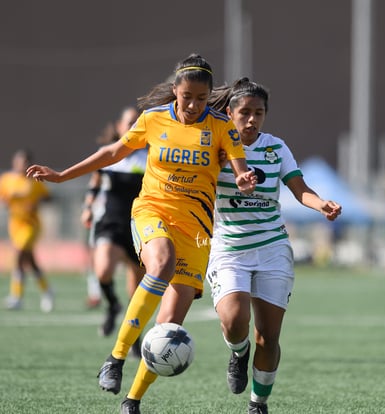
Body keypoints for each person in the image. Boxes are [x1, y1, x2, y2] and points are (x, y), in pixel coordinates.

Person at [26, 53, 257, 414]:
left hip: (196, 231)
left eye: (201, 97)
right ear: (175, 93)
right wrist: (62, 175)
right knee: (161, 263)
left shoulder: (221, 127)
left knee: (167, 328)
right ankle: (115, 358)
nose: (194, 105)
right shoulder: (152, 119)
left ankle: (131, 400)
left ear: (210, 95)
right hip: (153, 211)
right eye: (187, 97)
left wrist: (243, 179)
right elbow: (114, 151)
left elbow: (239, 166)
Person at [206, 78, 342, 414]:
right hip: (228, 249)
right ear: (229, 113)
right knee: (234, 321)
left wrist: (320, 203)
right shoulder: (214, 146)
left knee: (268, 336)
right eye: (245, 113)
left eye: (259, 113)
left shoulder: (276, 147)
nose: (252, 120)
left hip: (272, 249)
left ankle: (258, 404)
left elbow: (300, 188)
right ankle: (238, 354)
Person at [80, 107, 148, 356]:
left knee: (137, 293)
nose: (132, 126)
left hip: (139, 226)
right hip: (109, 222)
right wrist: (88, 207)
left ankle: (135, 339)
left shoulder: (150, 157)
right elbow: (95, 183)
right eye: (128, 122)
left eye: (136, 122)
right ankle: (111, 304)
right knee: (103, 270)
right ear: (119, 126)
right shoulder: (109, 155)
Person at [0, 149, 54, 312]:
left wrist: (37, 202)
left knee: (18, 255)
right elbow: (4, 199)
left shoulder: (34, 181)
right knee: (30, 262)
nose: (21, 165)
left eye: (24, 162)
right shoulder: (7, 179)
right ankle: (47, 290)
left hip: (31, 226)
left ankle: (16, 296)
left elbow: (48, 197)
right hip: (15, 225)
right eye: (18, 161)